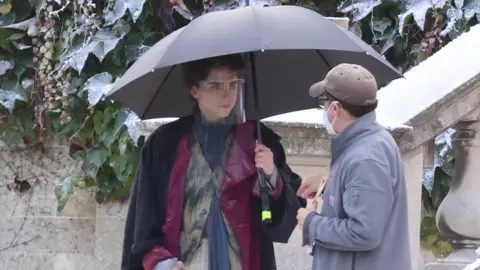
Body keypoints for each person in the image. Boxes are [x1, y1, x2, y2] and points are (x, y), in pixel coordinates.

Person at [121, 54, 306, 270]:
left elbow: (277, 218)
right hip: (184, 261)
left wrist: (270, 174)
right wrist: (161, 263)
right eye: (216, 85)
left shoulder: (259, 139)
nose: (226, 94)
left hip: (243, 260)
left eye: (233, 84)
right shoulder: (165, 144)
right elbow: (144, 213)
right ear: (194, 89)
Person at [296, 63, 411, 270]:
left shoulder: (365, 158)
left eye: (324, 102)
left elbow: (364, 232)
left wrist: (311, 224)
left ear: (335, 109)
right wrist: (327, 184)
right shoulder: (369, 142)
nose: (323, 109)